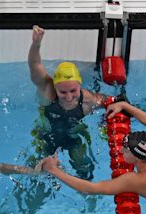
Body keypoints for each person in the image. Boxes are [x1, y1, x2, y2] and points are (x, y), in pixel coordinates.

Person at [28, 25, 107, 180]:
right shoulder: (47, 91)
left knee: (84, 168)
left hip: (75, 136)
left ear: (80, 85)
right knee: (37, 171)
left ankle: (88, 199)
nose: (69, 97)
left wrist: (105, 122)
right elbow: (34, 64)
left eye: (73, 91)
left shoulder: (89, 100)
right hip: (46, 134)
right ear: (55, 87)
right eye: (63, 92)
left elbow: (113, 103)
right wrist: (36, 43)